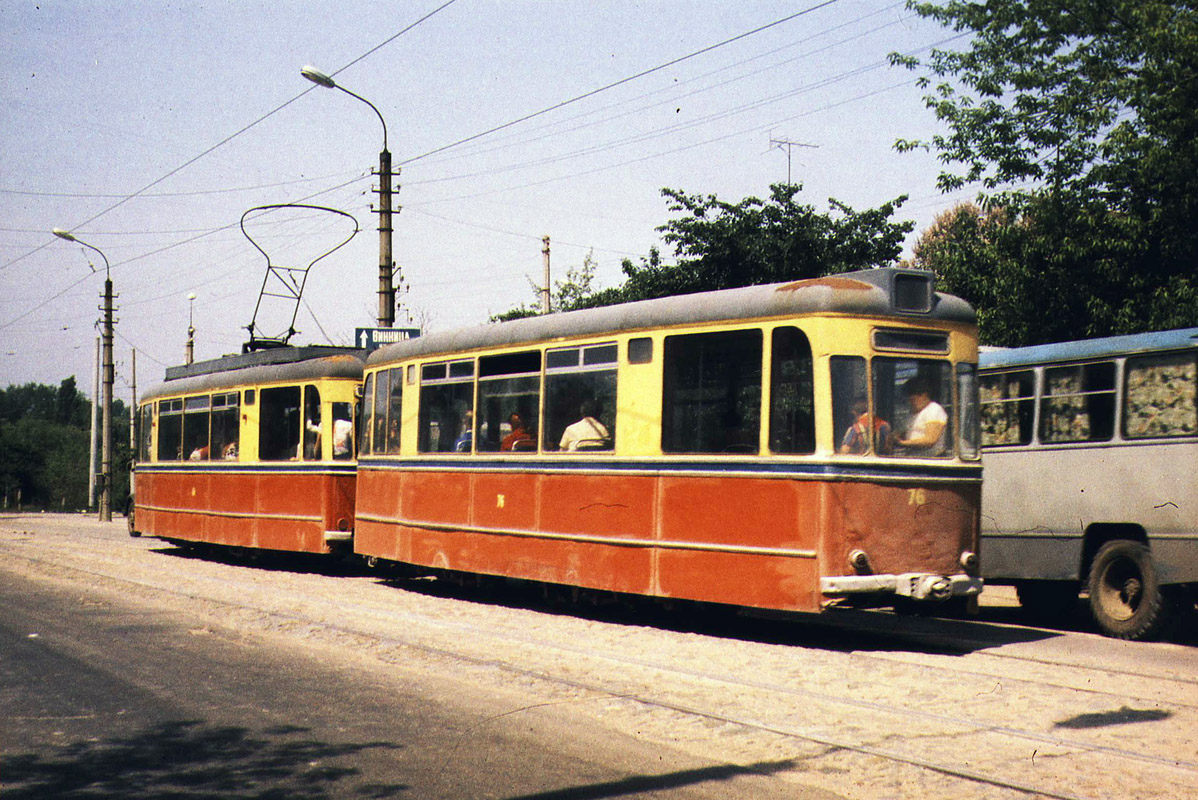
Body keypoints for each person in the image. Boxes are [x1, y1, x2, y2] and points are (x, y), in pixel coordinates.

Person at [897, 377, 947, 455]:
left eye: (913, 400)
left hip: (932, 460)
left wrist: (903, 443)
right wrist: (896, 436)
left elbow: (930, 440)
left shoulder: (934, 410)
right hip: (914, 458)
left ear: (923, 395)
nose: (910, 403)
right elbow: (908, 431)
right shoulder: (912, 413)